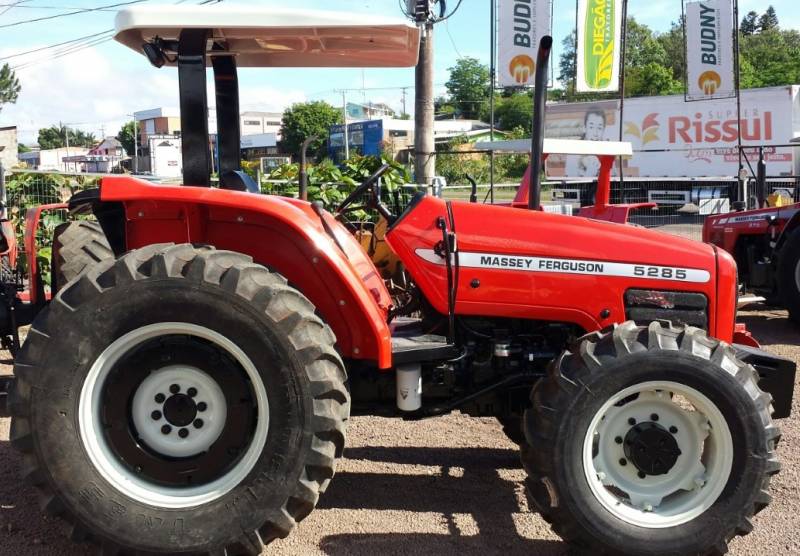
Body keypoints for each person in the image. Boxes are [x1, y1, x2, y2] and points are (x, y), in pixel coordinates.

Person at [564, 107, 607, 177]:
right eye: (591, 127)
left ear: (604, 130)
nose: (595, 133)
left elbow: (613, 178)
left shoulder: (607, 151)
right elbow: (570, 183)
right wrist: (589, 173)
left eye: (599, 128)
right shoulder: (573, 152)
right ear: (584, 128)